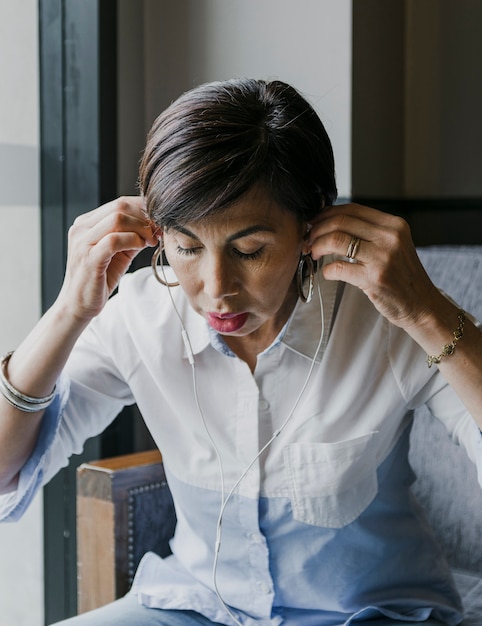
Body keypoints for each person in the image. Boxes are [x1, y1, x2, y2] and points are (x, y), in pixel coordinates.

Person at [0, 78, 481, 626]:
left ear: (311, 224)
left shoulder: (387, 318)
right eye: (186, 247)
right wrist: (68, 311)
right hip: (196, 607)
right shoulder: (140, 316)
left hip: (367, 614)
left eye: (249, 250)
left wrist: (428, 314)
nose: (216, 287)